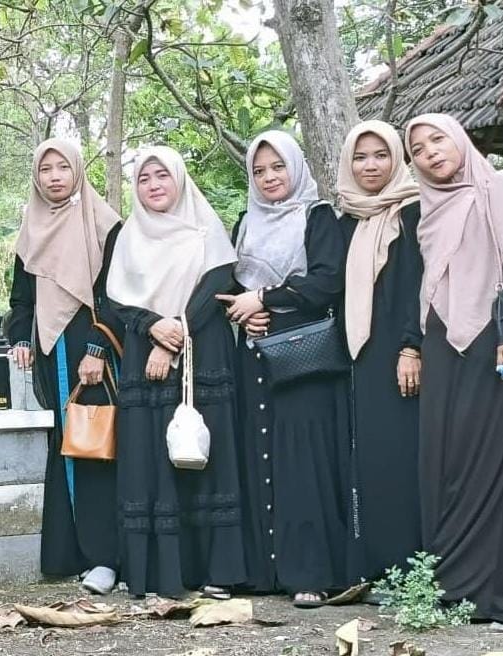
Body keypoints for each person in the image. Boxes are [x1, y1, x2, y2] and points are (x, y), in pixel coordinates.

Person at [405, 113, 503, 624]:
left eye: (439, 139)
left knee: (498, 468)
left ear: (459, 139)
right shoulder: (428, 209)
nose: (431, 152)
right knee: (448, 463)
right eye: (418, 148)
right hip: (442, 343)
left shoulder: (499, 186)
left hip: (494, 340)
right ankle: (452, 587)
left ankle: (494, 596)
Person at [218, 130, 351, 608]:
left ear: (295, 168)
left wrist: (266, 300)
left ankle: (310, 573)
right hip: (252, 353)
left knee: (302, 461)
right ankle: (263, 571)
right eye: (259, 170)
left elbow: (327, 282)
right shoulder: (245, 222)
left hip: (302, 356)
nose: (270, 177)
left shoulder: (318, 217)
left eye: (278, 167)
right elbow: (233, 281)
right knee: (260, 456)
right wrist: (247, 308)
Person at [105, 146, 245, 599]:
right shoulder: (128, 236)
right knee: (151, 457)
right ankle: (160, 574)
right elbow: (116, 298)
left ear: (180, 179)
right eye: (144, 179)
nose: (154, 186)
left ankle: (215, 571)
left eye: (162, 176)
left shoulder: (204, 229)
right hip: (144, 354)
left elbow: (217, 283)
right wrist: (153, 328)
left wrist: (177, 333)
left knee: (203, 455)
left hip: (202, 352)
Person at [5, 138, 122, 594]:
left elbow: (117, 293)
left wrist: (97, 347)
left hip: (94, 349)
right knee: (66, 444)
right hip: (51, 349)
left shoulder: (104, 223)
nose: (54, 176)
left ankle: (106, 557)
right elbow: (21, 299)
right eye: (46, 169)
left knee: (96, 445)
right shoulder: (30, 228)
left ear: (77, 171)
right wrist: (19, 338)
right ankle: (69, 553)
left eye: (62, 168)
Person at [334, 120, 423, 586]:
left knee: (400, 457)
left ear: (396, 160)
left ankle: (409, 568)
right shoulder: (346, 218)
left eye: (381, 155)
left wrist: (412, 346)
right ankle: (376, 569)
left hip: (399, 352)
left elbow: (417, 287)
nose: (371, 166)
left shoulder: (412, 210)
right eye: (361, 157)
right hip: (359, 355)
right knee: (367, 461)